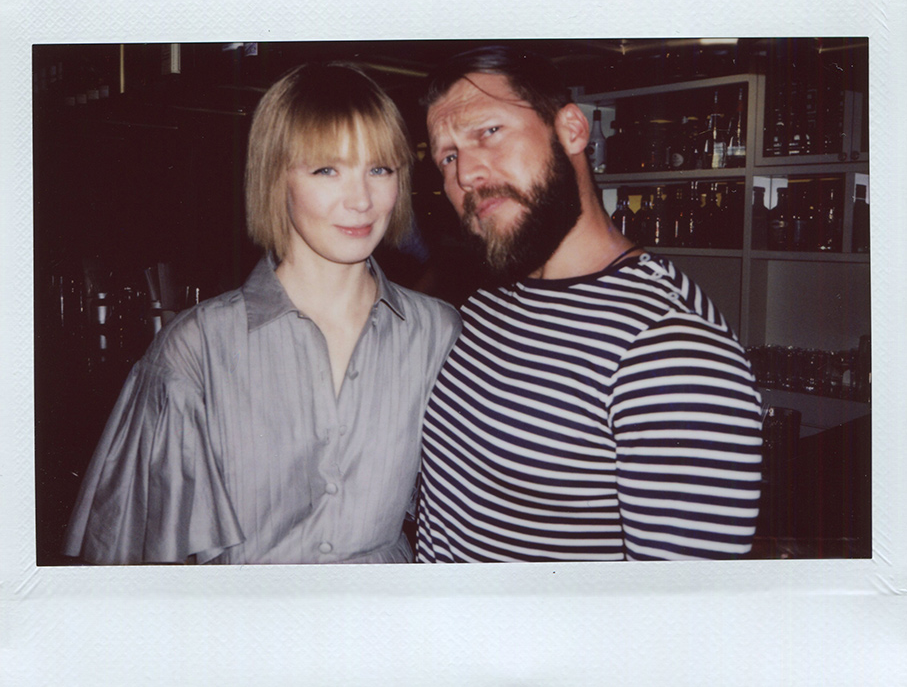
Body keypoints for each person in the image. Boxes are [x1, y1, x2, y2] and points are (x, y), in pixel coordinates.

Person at [62, 62, 461, 565]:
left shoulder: (439, 333)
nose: (362, 200)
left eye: (380, 169)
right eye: (327, 170)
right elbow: (135, 564)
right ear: (276, 179)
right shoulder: (195, 350)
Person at [415, 46, 763, 562]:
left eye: (488, 131)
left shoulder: (672, 352)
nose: (465, 173)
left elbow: (680, 606)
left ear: (572, 130)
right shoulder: (489, 302)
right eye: (447, 156)